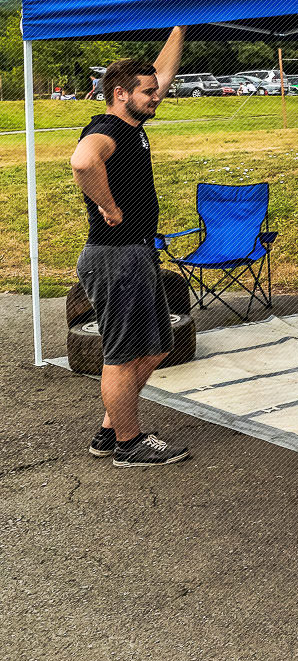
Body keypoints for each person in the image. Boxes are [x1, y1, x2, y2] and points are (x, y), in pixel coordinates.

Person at [71, 27, 190, 467]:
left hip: (135, 253)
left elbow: (162, 73)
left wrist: (179, 27)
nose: (157, 96)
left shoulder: (132, 122)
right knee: (121, 356)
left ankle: (109, 429)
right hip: (115, 255)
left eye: (156, 91)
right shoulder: (108, 129)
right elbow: (83, 161)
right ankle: (128, 443)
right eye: (148, 93)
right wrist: (108, 206)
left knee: (157, 347)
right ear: (120, 94)